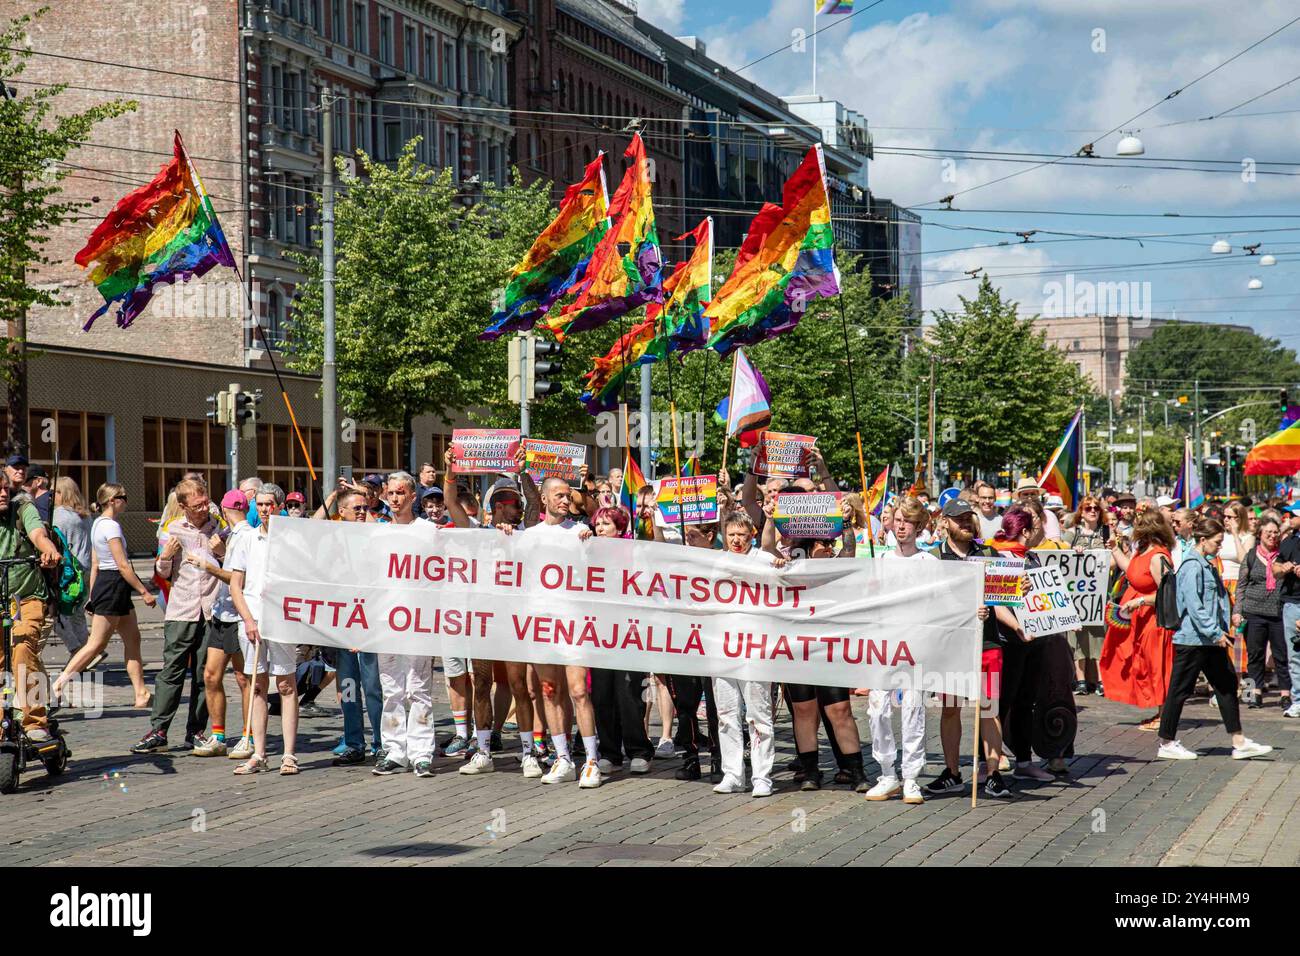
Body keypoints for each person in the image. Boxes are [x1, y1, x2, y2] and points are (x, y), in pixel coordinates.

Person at [510, 475, 603, 787]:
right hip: (540, 623)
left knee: (578, 690)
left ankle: (591, 759)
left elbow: (599, 563)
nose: (565, 501)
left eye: (568, 496)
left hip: (573, 622)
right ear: (545, 499)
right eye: (559, 496)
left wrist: (591, 541)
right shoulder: (529, 534)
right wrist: (504, 537)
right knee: (550, 691)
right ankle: (562, 757)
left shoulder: (579, 531)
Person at [1156, 518, 1272, 761]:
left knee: (1227, 685)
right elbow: (1194, 606)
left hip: (1208, 639)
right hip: (1193, 639)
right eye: (1217, 543)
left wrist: (1225, 625)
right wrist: (1215, 632)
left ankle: (1239, 741)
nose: (1219, 547)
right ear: (1202, 540)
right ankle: (1167, 741)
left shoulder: (1205, 564)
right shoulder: (1192, 565)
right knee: (1179, 690)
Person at [926, 499, 1015, 798]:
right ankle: (952, 772)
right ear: (945, 522)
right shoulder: (934, 558)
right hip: (951, 646)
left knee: (989, 709)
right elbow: (929, 603)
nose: (965, 522)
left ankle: (992, 774)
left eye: (968, 518)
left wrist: (1018, 617)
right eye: (958, 518)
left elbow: (1003, 597)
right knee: (950, 709)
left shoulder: (989, 553)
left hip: (986, 644)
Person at [129, 477, 220, 754]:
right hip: (182, 609)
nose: (204, 508)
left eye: (205, 502)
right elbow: (162, 575)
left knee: (206, 674)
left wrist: (222, 549)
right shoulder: (173, 529)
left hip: (212, 610)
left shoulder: (219, 527)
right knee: (172, 672)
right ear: (183, 506)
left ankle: (197, 731)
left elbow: (232, 564)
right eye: (197, 505)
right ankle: (159, 730)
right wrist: (165, 556)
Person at [53, 482, 154, 711]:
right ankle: (59, 684)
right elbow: (122, 565)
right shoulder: (110, 527)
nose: (126, 501)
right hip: (114, 585)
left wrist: (92, 594)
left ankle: (141, 693)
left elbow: (96, 563)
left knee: (133, 638)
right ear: (112, 501)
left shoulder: (98, 524)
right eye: (123, 497)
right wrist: (144, 591)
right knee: (96, 644)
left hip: (108, 586)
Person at [229, 484, 301, 775]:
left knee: (285, 684)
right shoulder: (247, 539)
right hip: (253, 620)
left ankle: (288, 754)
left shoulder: (291, 540)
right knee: (257, 685)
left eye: (269, 504)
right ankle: (259, 752)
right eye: (259, 504)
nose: (264, 509)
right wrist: (247, 619)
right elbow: (236, 584)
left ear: (280, 506)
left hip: (281, 620)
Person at [581, 506, 657, 780]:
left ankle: (639, 750)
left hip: (628, 634)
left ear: (620, 528)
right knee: (602, 694)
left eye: (606, 524)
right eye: (597, 524)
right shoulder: (589, 552)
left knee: (627, 693)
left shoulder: (633, 553)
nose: (599, 529)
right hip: (599, 633)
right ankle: (610, 752)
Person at [866, 497, 934, 805]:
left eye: (908, 520)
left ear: (919, 526)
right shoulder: (880, 560)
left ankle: (911, 777)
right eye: (897, 519)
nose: (902, 525)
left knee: (912, 711)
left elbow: (945, 603)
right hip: (884, 647)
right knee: (877, 709)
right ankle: (887, 773)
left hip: (915, 647)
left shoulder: (929, 563)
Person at [713, 509, 785, 797]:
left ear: (751, 535)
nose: (736, 540)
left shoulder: (764, 560)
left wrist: (781, 565)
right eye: (731, 534)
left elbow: (785, 584)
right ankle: (732, 773)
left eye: (742, 534)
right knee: (726, 713)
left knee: (758, 714)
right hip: (722, 647)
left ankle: (762, 775)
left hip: (756, 648)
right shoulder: (716, 561)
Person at [371, 473, 437, 777]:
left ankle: (422, 752)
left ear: (413, 497)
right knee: (392, 689)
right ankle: (395, 751)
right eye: (391, 494)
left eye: (401, 493)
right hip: (387, 621)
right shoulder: (378, 534)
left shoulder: (429, 531)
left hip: (420, 622)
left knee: (418, 688)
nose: (395, 499)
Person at [318, 489, 385, 765]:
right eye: (355, 509)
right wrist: (332, 498)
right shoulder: (332, 540)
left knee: (373, 688)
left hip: (369, 625)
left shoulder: (375, 535)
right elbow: (306, 531)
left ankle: (381, 743)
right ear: (341, 513)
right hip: (342, 626)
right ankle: (354, 742)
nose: (361, 512)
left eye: (364, 508)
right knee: (348, 688)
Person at [187, 489, 252, 757]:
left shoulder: (246, 537)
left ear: (225, 511)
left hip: (238, 615)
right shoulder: (231, 535)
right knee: (210, 675)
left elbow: (242, 581)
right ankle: (218, 736)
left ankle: (249, 736)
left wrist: (210, 565)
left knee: (243, 678)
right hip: (221, 612)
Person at [0, 471, 63, 742]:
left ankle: (35, 719)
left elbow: (37, 533)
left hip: (26, 597)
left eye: (5, 488)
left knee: (23, 649)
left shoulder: (21, 508)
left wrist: (47, 549)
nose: (3, 493)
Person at [1100, 508, 1175, 730]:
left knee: (1158, 665)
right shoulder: (1142, 550)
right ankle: (1158, 712)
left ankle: (1164, 716)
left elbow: (1168, 593)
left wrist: (1140, 602)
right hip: (1138, 619)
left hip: (1154, 620)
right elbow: (1131, 571)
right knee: (1144, 663)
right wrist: (1114, 549)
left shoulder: (1159, 557)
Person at [1065, 495, 1109, 695]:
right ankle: (1080, 680)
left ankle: (1101, 680)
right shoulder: (1071, 533)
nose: (1092, 511)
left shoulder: (1107, 533)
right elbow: (1062, 556)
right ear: (1080, 511)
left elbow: (1115, 559)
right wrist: (1074, 552)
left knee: (1099, 635)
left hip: (1098, 593)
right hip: (1077, 594)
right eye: (1088, 508)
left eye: (1096, 508)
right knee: (1077, 636)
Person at [52, 476, 92, 657]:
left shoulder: (59, 515)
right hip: (86, 568)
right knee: (77, 614)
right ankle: (89, 650)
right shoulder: (84, 515)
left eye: (55, 493)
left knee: (56, 615)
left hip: (70, 572)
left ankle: (78, 651)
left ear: (61, 493)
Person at [1276, 513, 1300, 719]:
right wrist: (1282, 568)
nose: (1289, 518)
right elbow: (1275, 566)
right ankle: (1298, 699)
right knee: (1294, 654)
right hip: (1291, 602)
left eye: (1294, 515)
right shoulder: (1289, 541)